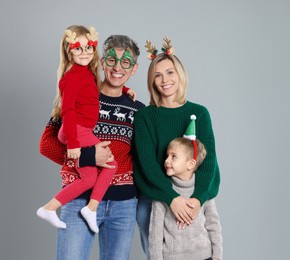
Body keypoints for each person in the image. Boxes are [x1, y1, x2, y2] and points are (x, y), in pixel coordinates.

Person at [39, 33, 145, 260]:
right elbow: (47, 145)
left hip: (123, 205)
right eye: (111, 60)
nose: (118, 68)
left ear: (133, 69)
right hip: (79, 199)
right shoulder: (79, 94)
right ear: (102, 61)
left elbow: (141, 157)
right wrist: (88, 157)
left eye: (125, 62)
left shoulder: (138, 110)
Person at [133, 37, 221, 259]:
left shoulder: (200, 113)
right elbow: (147, 164)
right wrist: (171, 198)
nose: (165, 80)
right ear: (152, 81)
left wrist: (197, 199)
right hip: (155, 200)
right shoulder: (145, 116)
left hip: (193, 198)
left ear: (180, 74)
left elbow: (208, 162)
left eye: (170, 72)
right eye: (158, 75)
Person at [37, 25, 119, 234]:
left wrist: (125, 89)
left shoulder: (86, 73)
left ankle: (50, 208)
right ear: (69, 51)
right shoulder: (73, 76)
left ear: (94, 49)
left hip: (81, 129)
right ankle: (90, 208)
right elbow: (68, 109)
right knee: (112, 164)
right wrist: (73, 143)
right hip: (76, 129)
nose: (85, 53)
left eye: (88, 48)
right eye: (78, 48)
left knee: (90, 178)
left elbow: (93, 92)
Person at [149, 116, 223, 260]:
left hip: (204, 256)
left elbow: (214, 226)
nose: (166, 160)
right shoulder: (163, 193)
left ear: (190, 164)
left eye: (173, 156)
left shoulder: (202, 191)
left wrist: (217, 257)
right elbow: (155, 233)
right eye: (167, 156)